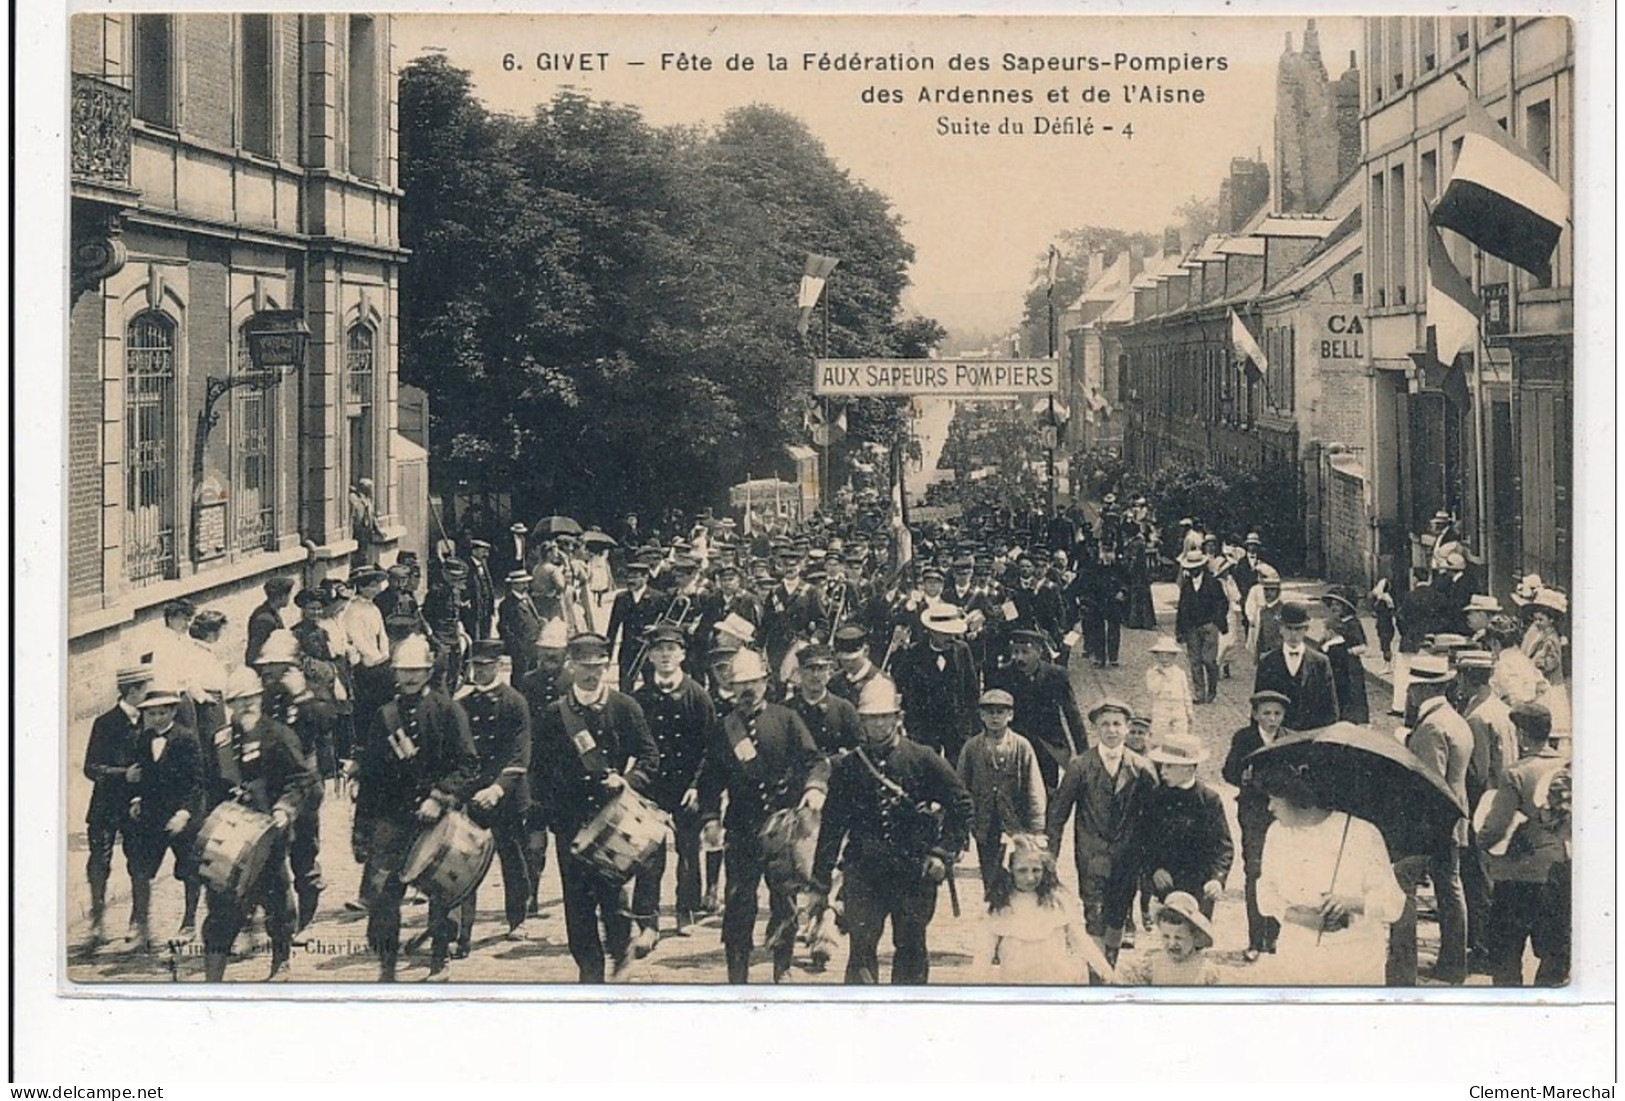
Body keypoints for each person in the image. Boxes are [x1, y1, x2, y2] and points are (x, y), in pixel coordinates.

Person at [811, 678, 972, 985]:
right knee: (861, 947)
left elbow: (963, 805)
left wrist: (942, 852)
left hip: (913, 872)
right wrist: (820, 880)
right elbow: (832, 826)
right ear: (862, 721)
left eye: (885, 717)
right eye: (871, 718)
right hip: (864, 871)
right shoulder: (849, 767)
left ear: (899, 718)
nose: (879, 725)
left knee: (911, 948)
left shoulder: (923, 758)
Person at [691, 647, 827, 983]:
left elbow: (816, 760)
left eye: (753, 682)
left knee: (784, 901)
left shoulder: (786, 719)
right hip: (742, 830)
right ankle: (736, 977)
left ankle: (782, 969)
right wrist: (710, 819)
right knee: (738, 904)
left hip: (782, 829)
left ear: (766, 682)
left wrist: (813, 788)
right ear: (730, 688)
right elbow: (709, 780)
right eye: (740, 684)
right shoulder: (724, 729)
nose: (748, 690)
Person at [532, 632, 660, 983]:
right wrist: (545, 817)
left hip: (613, 821)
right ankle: (590, 975)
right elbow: (538, 770)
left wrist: (628, 780)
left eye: (599, 666)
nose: (592, 673)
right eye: (585, 667)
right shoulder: (553, 715)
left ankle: (621, 953)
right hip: (570, 823)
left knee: (614, 897)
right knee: (578, 906)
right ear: (570, 666)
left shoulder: (624, 707)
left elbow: (650, 757)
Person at [352, 635, 481, 981]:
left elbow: (469, 765)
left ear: (428, 672)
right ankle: (387, 969)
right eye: (403, 671)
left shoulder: (447, 710)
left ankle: (440, 960)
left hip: (437, 817)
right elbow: (372, 777)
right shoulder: (385, 716)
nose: (409, 677)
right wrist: (362, 828)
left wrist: (439, 796)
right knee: (381, 898)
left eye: (416, 671)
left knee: (442, 892)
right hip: (393, 819)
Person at [199, 667, 317, 982]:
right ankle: (213, 978)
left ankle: (281, 962)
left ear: (259, 698)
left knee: (278, 898)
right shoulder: (221, 741)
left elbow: (301, 778)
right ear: (230, 705)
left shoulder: (278, 734)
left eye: (250, 698)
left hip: (269, 831)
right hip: (232, 835)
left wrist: (284, 808)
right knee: (222, 904)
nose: (246, 705)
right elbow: (209, 785)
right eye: (238, 701)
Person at [1254, 767, 1405, 986]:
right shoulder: (1277, 833)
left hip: (1355, 962)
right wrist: (1303, 919)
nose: (1270, 807)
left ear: (1296, 798)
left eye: (1274, 800)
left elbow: (1393, 905)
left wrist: (1350, 903)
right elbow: (1266, 895)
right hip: (1297, 958)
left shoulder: (1361, 833)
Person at [1046, 698, 1157, 966]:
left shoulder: (1141, 767)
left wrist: (1154, 857)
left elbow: (1155, 815)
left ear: (1127, 728)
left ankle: (1111, 964)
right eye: (1104, 724)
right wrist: (1049, 857)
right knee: (1093, 912)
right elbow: (1058, 814)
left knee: (1118, 914)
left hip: (1128, 854)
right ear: (1095, 727)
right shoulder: (1080, 766)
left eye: (1117, 724)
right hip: (1091, 852)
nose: (1111, 730)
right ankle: (1096, 973)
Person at [1391, 654, 1473, 985]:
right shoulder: (1453, 718)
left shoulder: (1431, 727)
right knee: (1451, 888)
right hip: (1454, 819)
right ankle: (1453, 963)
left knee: (1403, 885)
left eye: (1411, 687)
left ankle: (1404, 967)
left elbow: (1428, 783)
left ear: (1420, 689)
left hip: (1432, 825)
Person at [631, 625, 717, 946]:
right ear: (651, 656)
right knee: (648, 853)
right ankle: (647, 921)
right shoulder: (640, 698)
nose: (666, 656)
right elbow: (630, 744)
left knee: (688, 850)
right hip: (651, 787)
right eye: (659, 650)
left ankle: (686, 911)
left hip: (686, 786)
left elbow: (709, 748)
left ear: (682, 655)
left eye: (672, 650)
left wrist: (697, 785)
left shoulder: (698, 696)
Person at [1477, 701, 1570, 986]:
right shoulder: (1567, 768)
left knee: (1506, 956)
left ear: (1522, 734)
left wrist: (1481, 840)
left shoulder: (1516, 774)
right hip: (1558, 870)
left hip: (1517, 875)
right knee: (1555, 953)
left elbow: (1495, 828)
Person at [454, 640, 534, 951]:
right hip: (474, 795)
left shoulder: (514, 702)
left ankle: (518, 919)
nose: (481, 671)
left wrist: (497, 788)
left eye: (487, 665)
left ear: (499, 665)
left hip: (507, 794)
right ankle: (462, 933)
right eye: (476, 665)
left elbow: (519, 754)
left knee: (513, 859)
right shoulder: (463, 703)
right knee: (464, 862)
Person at [121, 684, 205, 951]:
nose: (156, 719)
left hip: (182, 816)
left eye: (161, 713)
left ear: (172, 712)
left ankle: (189, 923)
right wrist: (135, 798)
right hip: (151, 816)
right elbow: (141, 773)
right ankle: (141, 925)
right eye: (151, 714)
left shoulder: (186, 738)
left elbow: (196, 782)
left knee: (189, 870)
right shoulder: (144, 739)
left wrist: (184, 813)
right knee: (141, 869)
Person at [974, 833, 1113, 984]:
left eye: (1036, 870)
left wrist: (1107, 973)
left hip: (1056, 981)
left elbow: (1080, 941)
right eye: (1022, 870)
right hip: (1017, 985)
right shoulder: (998, 908)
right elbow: (983, 956)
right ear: (1010, 870)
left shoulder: (1057, 900)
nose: (1030, 878)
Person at [81, 663, 152, 946]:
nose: (150, 695)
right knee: (99, 862)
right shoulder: (105, 723)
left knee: (140, 863)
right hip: (106, 805)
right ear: (133, 691)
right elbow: (90, 767)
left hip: (138, 806)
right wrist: (124, 774)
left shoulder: (150, 720)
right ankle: (97, 922)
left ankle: (138, 923)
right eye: (146, 690)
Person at [1221, 690, 1292, 961]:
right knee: (1255, 871)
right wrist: (1243, 775)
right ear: (1255, 715)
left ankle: (1272, 937)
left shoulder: (1289, 738)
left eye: (1277, 714)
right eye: (1266, 713)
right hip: (1253, 812)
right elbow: (1227, 772)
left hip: (1283, 814)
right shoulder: (1244, 738)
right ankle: (1255, 939)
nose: (1272, 719)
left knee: (1280, 871)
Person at [956, 689, 1047, 892]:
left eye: (1000, 712)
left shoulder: (1022, 747)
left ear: (1010, 715)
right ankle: (994, 914)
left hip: (1016, 823)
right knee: (990, 876)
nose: (995, 717)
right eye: (990, 712)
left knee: (1020, 877)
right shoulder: (971, 748)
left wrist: (1037, 828)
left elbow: (1034, 788)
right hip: (985, 822)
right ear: (981, 716)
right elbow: (961, 788)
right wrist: (961, 825)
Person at [1139, 734, 1234, 919]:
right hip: (1167, 883)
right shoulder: (1155, 798)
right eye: (1161, 765)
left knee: (1197, 938)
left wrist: (1217, 879)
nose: (1162, 771)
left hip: (1201, 884)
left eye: (1169, 766)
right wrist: (1155, 869)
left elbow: (1223, 846)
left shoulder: (1209, 800)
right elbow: (1144, 839)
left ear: (1188, 768)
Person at [988, 629, 1088, 792]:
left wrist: (1084, 754)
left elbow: (1072, 715)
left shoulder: (1056, 675)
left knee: (1048, 790)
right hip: (1014, 745)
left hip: (1048, 746)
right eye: (1015, 652)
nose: (1019, 658)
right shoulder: (1003, 675)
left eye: (1025, 652)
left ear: (1039, 652)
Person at [891, 603, 979, 762]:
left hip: (955, 725)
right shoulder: (915, 653)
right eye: (945, 633)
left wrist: (971, 724)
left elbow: (971, 689)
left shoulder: (962, 650)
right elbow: (899, 684)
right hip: (925, 725)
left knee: (957, 766)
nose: (950, 638)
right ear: (932, 631)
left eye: (953, 633)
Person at [1253, 602, 1340, 730]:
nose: (1293, 634)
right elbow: (1258, 706)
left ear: (1306, 629)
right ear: (1281, 629)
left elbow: (1330, 710)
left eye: (1298, 629)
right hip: (1278, 738)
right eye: (1289, 628)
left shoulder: (1320, 662)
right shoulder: (1267, 662)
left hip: (1310, 738)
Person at [1113, 891, 1220, 986]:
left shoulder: (1206, 971)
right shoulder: (1152, 965)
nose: (1172, 943)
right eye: (1166, 936)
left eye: (1178, 938)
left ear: (1195, 937)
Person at [1173, 549, 1227, 703]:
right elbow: (1182, 608)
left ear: (1202, 567)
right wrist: (1180, 630)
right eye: (1190, 568)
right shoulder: (1186, 586)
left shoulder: (1213, 583)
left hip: (1209, 626)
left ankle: (1212, 689)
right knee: (1195, 661)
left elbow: (1223, 603)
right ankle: (1199, 693)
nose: (1192, 571)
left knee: (1209, 660)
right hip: (1191, 628)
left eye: (1195, 568)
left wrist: (1216, 621)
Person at [1320, 587, 1371, 724]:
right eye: (1333, 605)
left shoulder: (1353, 624)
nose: (1334, 607)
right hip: (1334, 666)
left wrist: (1347, 651)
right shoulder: (1331, 623)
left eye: (1338, 605)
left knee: (1351, 696)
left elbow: (1363, 646)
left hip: (1349, 668)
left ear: (1346, 607)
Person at [1144, 636, 1196, 744]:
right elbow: (1152, 690)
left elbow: (1186, 693)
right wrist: (1161, 675)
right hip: (1161, 707)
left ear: (1174, 656)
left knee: (1180, 739)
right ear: (1156, 656)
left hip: (1178, 708)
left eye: (1168, 655)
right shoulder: (1152, 673)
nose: (1164, 658)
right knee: (1159, 738)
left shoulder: (1180, 673)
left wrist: (1189, 711)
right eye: (1161, 655)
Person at [497, 569, 544, 679]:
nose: (526, 585)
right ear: (514, 585)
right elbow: (503, 627)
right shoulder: (508, 604)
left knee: (532, 673)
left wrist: (539, 621)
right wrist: (515, 645)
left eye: (526, 582)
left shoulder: (527, 598)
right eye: (523, 583)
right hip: (520, 647)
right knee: (520, 673)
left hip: (533, 643)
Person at [245, 577, 295, 666]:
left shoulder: (270, 612)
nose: (289, 598)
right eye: (288, 595)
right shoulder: (265, 620)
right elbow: (256, 652)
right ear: (280, 596)